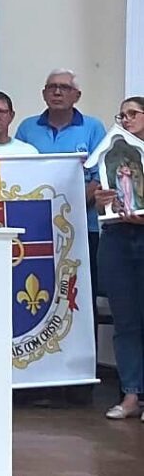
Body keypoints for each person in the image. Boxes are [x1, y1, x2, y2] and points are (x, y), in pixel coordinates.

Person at [15, 67, 106, 291]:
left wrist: (68, 207)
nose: (57, 92)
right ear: (43, 94)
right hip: (36, 226)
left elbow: (99, 178)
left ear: (77, 96)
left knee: (82, 291)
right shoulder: (27, 128)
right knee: (40, 289)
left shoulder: (93, 127)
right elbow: (17, 172)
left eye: (64, 87)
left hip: (83, 226)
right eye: (52, 88)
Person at [90, 98, 144, 421]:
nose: (125, 119)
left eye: (132, 114)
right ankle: (131, 394)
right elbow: (99, 207)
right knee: (125, 321)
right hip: (116, 240)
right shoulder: (109, 154)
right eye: (121, 115)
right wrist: (102, 202)